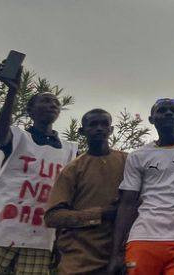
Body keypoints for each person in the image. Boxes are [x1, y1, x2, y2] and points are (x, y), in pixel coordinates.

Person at [108, 99, 174, 275]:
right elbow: (127, 203)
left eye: (173, 110)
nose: (168, 113)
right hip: (143, 239)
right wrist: (115, 254)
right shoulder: (138, 156)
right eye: (162, 110)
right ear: (151, 119)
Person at [0, 60, 78, 275]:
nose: (53, 105)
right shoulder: (18, 137)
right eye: (46, 101)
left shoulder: (70, 150)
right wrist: (12, 92)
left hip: (40, 238)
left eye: (56, 103)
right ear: (30, 110)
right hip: (1, 231)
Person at [45, 109, 126, 275]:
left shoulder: (129, 161)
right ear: (82, 131)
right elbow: (53, 216)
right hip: (80, 259)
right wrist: (100, 213)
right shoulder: (72, 170)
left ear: (111, 130)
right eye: (93, 124)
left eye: (104, 124)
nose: (99, 128)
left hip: (122, 255)